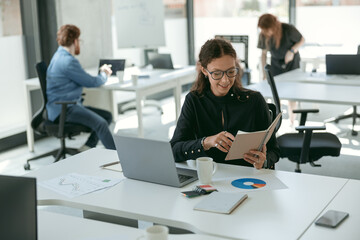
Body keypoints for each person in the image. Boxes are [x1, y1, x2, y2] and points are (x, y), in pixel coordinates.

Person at [170, 39, 280, 169]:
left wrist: (264, 161)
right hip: (210, 178)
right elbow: (174, 150)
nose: (225, 80)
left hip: (248, 179)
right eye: (217, 73)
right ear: (205, 71)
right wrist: (206, 142)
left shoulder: (254, 100)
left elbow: (275, 151)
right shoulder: (194, 100)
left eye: (231, 71)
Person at [46, 24, 116, 151]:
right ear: (75, 41)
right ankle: (116, 156)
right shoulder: (68, 61)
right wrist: (104, 74)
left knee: (107, 116)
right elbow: (92, 82)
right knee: (101, 123)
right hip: (65, 109)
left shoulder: (57, 56)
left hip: (59, 107)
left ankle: (88, 147)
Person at [257, 13, 305, 124]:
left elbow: (302, 40)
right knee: (276, 93)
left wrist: (292, 51)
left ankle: (292, 122)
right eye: (264, 30)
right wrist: (264, 73)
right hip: (276, 64)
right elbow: (263, 54)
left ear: (273, 25)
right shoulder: (263, 35)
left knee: (291, 94)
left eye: (267, 29)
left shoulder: (288, 29)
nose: (266, 32)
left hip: (291, 62)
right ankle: (277, 122)